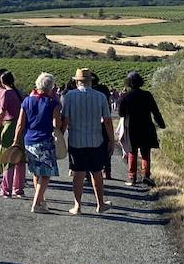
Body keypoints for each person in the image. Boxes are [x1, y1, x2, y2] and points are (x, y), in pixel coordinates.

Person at [59, 67, 114, 214]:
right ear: (90, 81)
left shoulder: (69, 96)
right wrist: (111, 140)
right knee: (96, 172)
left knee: (78, 173)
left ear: (77, 82)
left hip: (76, 140)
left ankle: (77, 205)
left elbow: (65, 120)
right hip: (96, 139)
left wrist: (60, 137)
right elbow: (107, 121)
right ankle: (100, 203)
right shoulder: (101, 97)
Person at [15, 72, 62, 214]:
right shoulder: (53, 103)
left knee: (36, 173)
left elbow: (20, 124)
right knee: (46, 173)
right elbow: (56, 124)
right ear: (51, 86)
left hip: (29, 140)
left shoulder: (27, 101)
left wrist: (16, 140)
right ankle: (36, 203)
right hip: (45, 140)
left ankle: (41, 201)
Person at [118, 70, 167, 186]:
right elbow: (155, 111)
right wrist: (161, 124)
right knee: (145, 152)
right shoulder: (147, 95)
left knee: (132, 152)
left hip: (131, 127)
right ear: (140, 82)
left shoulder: (125, 96)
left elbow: (121, 113)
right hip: (146, 126)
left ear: (128, 83)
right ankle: (146, 176)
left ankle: (132, 177)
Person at [0, 70, 26, 199]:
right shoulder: (20, 93)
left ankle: (6, 189)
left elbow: (1, 112)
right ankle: (18, 188)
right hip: (21, 126)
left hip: (9, 125)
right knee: (20, 159)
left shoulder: (6, 93)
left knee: (8, 158)